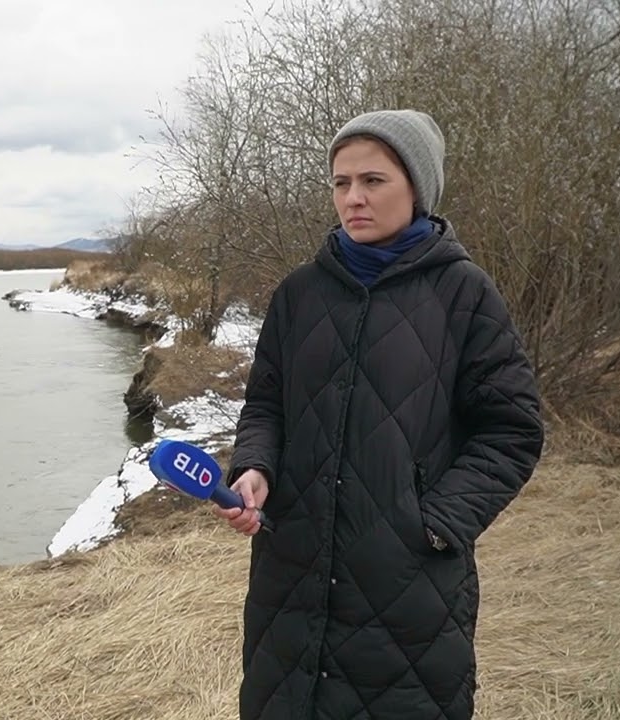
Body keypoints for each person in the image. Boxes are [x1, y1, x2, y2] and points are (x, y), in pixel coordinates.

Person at [216, 109, 545, 719]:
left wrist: (436, 523)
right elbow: (265, 404)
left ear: (416, 188)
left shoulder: (465, 294)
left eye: (373, 181)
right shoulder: (298, 294)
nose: (353, 198)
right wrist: (256, 465)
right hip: (290, 574)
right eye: (341, 183)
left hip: (409, 585)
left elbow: (511, 431)